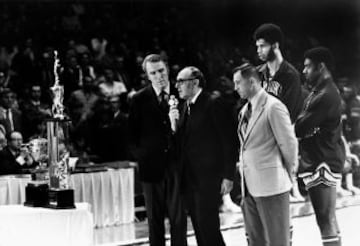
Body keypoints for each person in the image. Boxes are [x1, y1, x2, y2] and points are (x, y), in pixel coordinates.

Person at [169, 66, 238, 246]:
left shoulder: (213, 103)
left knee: (208, 226)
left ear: (195, 82)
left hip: (209, 177)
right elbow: (182, 144)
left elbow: (228, 142)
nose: (177, 86)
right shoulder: (184, 107)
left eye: (181, 81)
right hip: (189, 178)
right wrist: (173, 126)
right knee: (199, 227)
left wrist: (228, 175)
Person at [233, 63, 298, 246]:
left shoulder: (273, 107)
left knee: (277, 241)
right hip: (249, 186)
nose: (235, 88)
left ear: (252, 82)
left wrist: (286, 174)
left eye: (238, 83)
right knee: (256, 241)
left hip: (272, 185)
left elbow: (289, 144)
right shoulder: (244, 111)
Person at [128, 54, 187, 246]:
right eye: (153, 73)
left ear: (168, 69)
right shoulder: (138, 99)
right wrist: (142, 157)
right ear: (147, 75)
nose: (159, 76)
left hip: (177, 165)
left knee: (179, 219)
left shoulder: (182, 94)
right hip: (151, 168)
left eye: (161, 70)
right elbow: (131, 135)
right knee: (154, 220)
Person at [296, 47, 345, 246]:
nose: (304, 71)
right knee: (330, 219)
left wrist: (301, 124)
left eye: (308, 66)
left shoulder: (325, 94)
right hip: (324, 157)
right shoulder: (322, 90)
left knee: (325, 220)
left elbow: (299, 127)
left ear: (321, 66)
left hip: (320, 162)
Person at [254, 23, 303, 123]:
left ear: (275, 46)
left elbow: (288, 115)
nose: (258, 50)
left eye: (262, 46)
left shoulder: (291, 75)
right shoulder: (257, 72)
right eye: (257, 46)